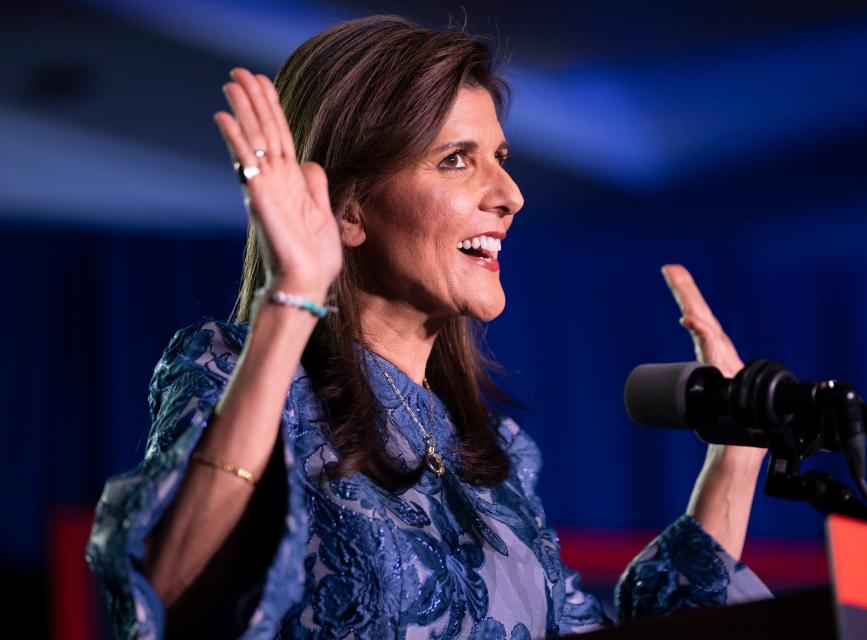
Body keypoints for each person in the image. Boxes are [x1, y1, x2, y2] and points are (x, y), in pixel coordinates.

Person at [86, 15, 771, 639]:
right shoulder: (237, 375)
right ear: (346, 211)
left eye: (500, 158)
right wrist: (293, 295)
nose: (510, 196)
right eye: (456, 159)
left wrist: (735, 455)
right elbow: (168, 597)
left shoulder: (495, 462)